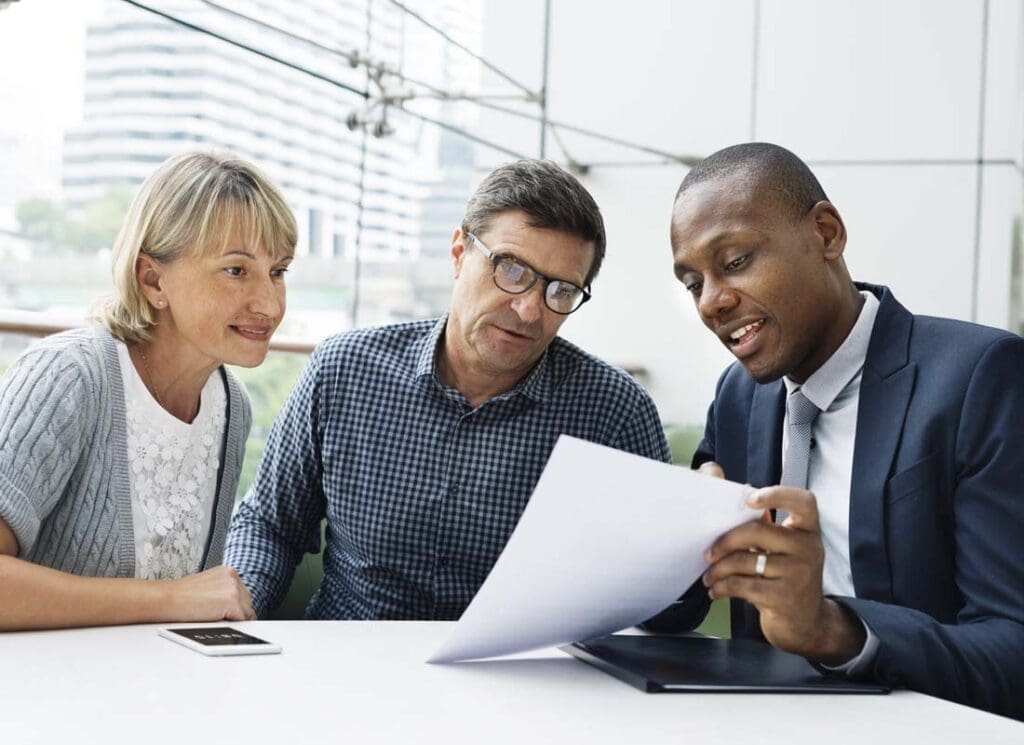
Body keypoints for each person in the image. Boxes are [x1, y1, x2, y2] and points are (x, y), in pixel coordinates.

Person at [651, 142, 1024, 719]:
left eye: (734, 262)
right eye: (692, 282)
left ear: (826, 234)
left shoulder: (982, 378)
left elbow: (1013, 649)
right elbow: (684, 608)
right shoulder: (738, 396)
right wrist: (665, 548)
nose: (712, 302)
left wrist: (834, 630)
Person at [225, 159, 671, 620]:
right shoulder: (344, 370)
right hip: (346, 665)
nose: (528, 310)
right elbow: (270, 525)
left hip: (520, 680)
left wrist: (694, 550)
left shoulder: (614, 411)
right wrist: (237, 614)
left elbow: (661, 595)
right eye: (512, 270)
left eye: (560, 292)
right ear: (460, 252)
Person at [0, 150, 297, 630]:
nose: (268, 302)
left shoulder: (230, 406)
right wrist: (169, 600)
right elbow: (179, 600)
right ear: (153, 280)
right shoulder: (69, 377)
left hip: (154, 691)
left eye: (278, 271)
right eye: (236, 270)